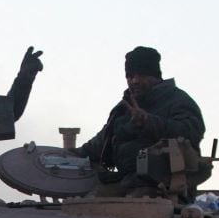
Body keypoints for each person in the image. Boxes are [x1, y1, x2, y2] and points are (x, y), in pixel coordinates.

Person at [77, 46, 205, 193]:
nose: (135, 81)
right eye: (130, 76)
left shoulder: (177, 100)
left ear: (156, 76)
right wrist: (72, 154)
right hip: (126, 181)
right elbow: (103, 141)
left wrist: (148, 122)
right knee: (88, 200)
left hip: (164, 187)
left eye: (141, 75)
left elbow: (191, 131)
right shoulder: (125, 107)